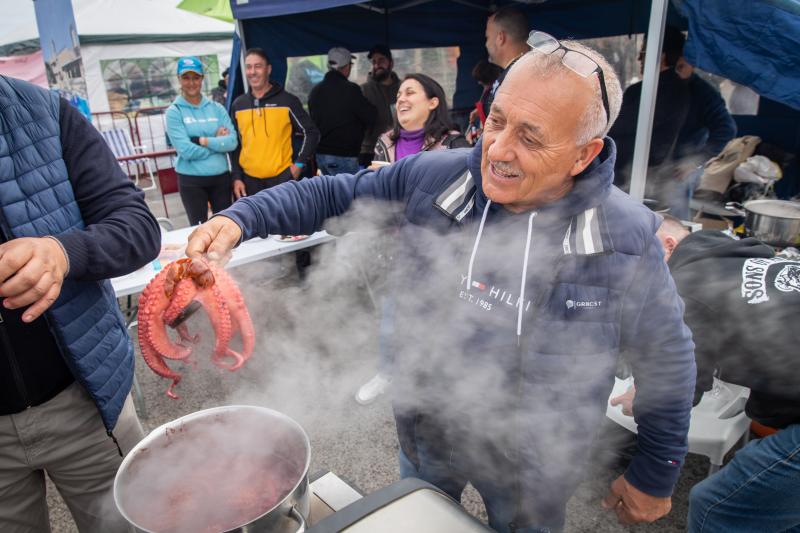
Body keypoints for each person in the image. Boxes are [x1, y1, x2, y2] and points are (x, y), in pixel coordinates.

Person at [186, 36, 696, 532]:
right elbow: (337, 193)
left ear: (583, 156)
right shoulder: (439, 177)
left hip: (532, 463)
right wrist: (241, 217)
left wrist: (656, 473)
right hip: (429, 428)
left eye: (532, 137)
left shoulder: (624, 237)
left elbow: (667, 359)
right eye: (496, 121)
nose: (498, 149)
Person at [0, 75, 161, 531]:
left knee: (136, 521)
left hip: (85, 404)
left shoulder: (46, 114)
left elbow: (137, 225)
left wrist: (62, 252)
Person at [612, 215, 800, 532]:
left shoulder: (685, 287)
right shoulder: (731, 251)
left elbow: (677, 387)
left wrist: (643, 394)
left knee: (717, 506)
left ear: (667, 246)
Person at [356, 73, 470, 405]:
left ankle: (440, 380)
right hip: (399, 243)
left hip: (444, 247)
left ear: (433, 102)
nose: (401, 99)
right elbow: (376, 198)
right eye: (399, 94)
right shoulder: (386, 142)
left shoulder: (453, 144)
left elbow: (463, 199)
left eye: (410, 92)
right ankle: (388, 372)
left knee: (442, 315)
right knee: (393, 313)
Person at [608, 26, 691, 203]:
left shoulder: (660, 92)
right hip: (635, 176)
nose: (639, 58)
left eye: (644, 52)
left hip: (637, 180)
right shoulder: (674, 89)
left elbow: (618, 124)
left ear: (660, 56)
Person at [229, 48, 320, 198]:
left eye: (258, 66)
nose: (253, 72)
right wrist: (237, 177)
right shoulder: (238, 105)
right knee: (253, 222)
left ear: (268, 69)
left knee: (285, 221)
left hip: (282, 179)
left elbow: (311, 133)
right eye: (249, 67)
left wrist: (298, 165)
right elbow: (235, 145)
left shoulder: (287, 101)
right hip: (249, 183)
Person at [165, 57, 238, 226]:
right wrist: (216, 143)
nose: (191, 83)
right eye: (186, 78)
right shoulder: (174, 111)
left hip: (221, 178)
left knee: (225, 228)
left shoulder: (217, 108)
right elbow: (185, 151)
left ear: (202, 79)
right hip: (191, 181)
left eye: (196, 77)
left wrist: (201, 140)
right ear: (179, 79)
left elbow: (232, 142)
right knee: (199, 230)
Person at [308, 47, 376, 175]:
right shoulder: (351, 90)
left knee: (330, 193)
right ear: (346, 67)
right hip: (344, 156)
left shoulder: (315, 91)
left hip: (321, 157)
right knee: (347, 194)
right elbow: (370, 116)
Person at [359, 44, 401, 168]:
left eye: (381, 60)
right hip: (369, 151)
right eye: (374, 62)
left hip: (399, 148)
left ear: (391, 63)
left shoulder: (403, 87)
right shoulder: (363, 90)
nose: (377, 65)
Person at [483, 6, 530, 112]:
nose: (486, 44)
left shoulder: (521, 76)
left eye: (487, 38)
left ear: (500, 38)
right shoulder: (525, 69)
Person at [467, 60, 503, 143]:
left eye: (481, 81)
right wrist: (478, 111)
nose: (479, 83)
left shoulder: (496, 94)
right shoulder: (487, 92)